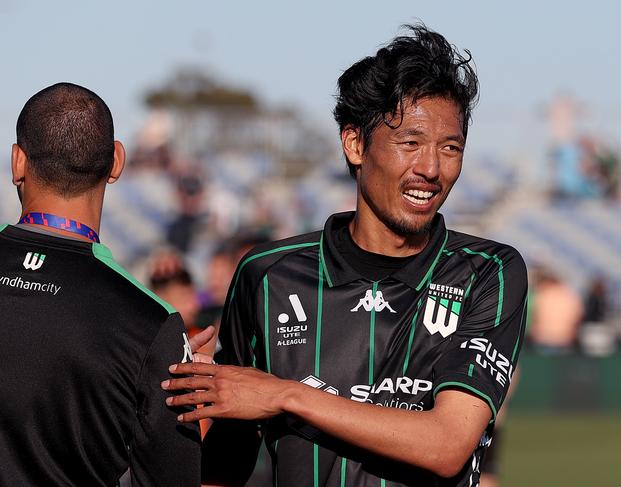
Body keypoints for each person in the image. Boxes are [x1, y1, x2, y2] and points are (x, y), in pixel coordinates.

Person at [165, 25, 528, 486]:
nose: (432, 168)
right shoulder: (267, 275)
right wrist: (178, 390)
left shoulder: (488, 271)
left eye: (450, 147)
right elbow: (225, 463)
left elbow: (447, 445)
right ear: (355, 144)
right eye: (410, 143)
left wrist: (285, 396)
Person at [0, 82, 201, 486]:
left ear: (17, 161)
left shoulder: (154, 328)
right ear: (117, 162)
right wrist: (166, 365)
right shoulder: (151, 321)